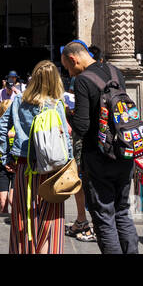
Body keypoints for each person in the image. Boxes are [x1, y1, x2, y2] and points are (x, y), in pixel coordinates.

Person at [61, 41, 138, 254]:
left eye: (67, 67)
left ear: (73, 59)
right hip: (125, 151)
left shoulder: (82, 81)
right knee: (122, 211)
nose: (69, 72)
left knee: (104, 216)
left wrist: (68, 113)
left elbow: (83, 127)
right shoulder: (115, 71)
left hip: (99, 156)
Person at [0, 59, 70, 254]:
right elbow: (65, 140)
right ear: (55, 81)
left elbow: (1, 129)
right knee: (50, 221)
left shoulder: (18, 101)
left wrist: (6, 158)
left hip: (24, 167)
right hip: (52, 171)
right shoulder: (56, 105)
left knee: (24, 218)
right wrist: (69, 165)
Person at [61, 79, 94, 241]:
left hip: (83, 150)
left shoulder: (82, 104)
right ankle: (83, 221)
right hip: (86, 149)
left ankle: (85, 223)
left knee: (80, 181)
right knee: (80, 182)